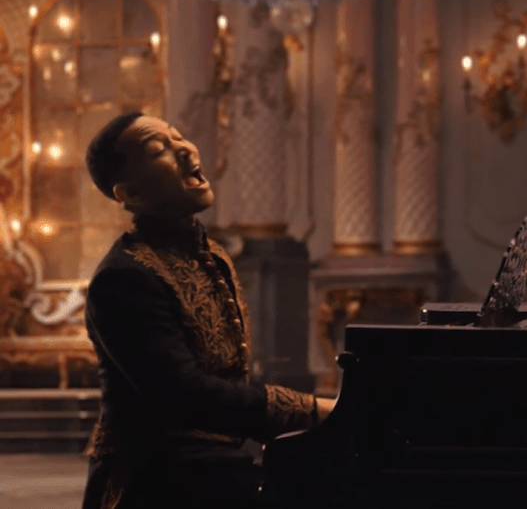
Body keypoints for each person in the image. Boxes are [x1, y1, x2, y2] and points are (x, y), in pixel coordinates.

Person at [80, 112, 335, 509]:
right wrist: (312, 410)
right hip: (151, 480)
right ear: (130, 194)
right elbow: (186, 394)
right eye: (158, 149)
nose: (185, 149)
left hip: (212, 467)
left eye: (178, 137)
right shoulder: (122, 278)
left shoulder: (212, 254)